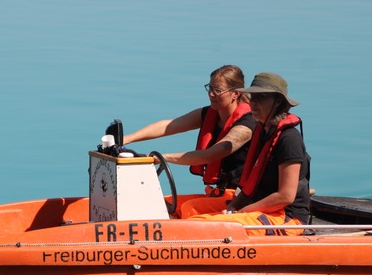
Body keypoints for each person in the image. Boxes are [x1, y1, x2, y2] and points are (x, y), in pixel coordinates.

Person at [123, 65, 256, 218]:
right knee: (158, 203)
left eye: (218, 90)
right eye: (209, 88)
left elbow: (210, 155)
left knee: (189, 208)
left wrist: (162, 158)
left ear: (235, 94)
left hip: (239, 198)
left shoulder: (248, 123)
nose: (211, 94)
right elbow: (168, 126)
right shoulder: (209, 114)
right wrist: (126, 139)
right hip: (218, 192)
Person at [189, 72, 311, 236]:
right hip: (258, 206)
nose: (253, 103)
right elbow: (248, 188)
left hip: (285, 216)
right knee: (189, 210)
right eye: (252, 97)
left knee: (202, 226)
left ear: (278, 102)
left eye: (261, 98)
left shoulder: (289, 139)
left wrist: (244, 211)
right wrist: (234, 206)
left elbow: (285, 197)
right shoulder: (262, 131)